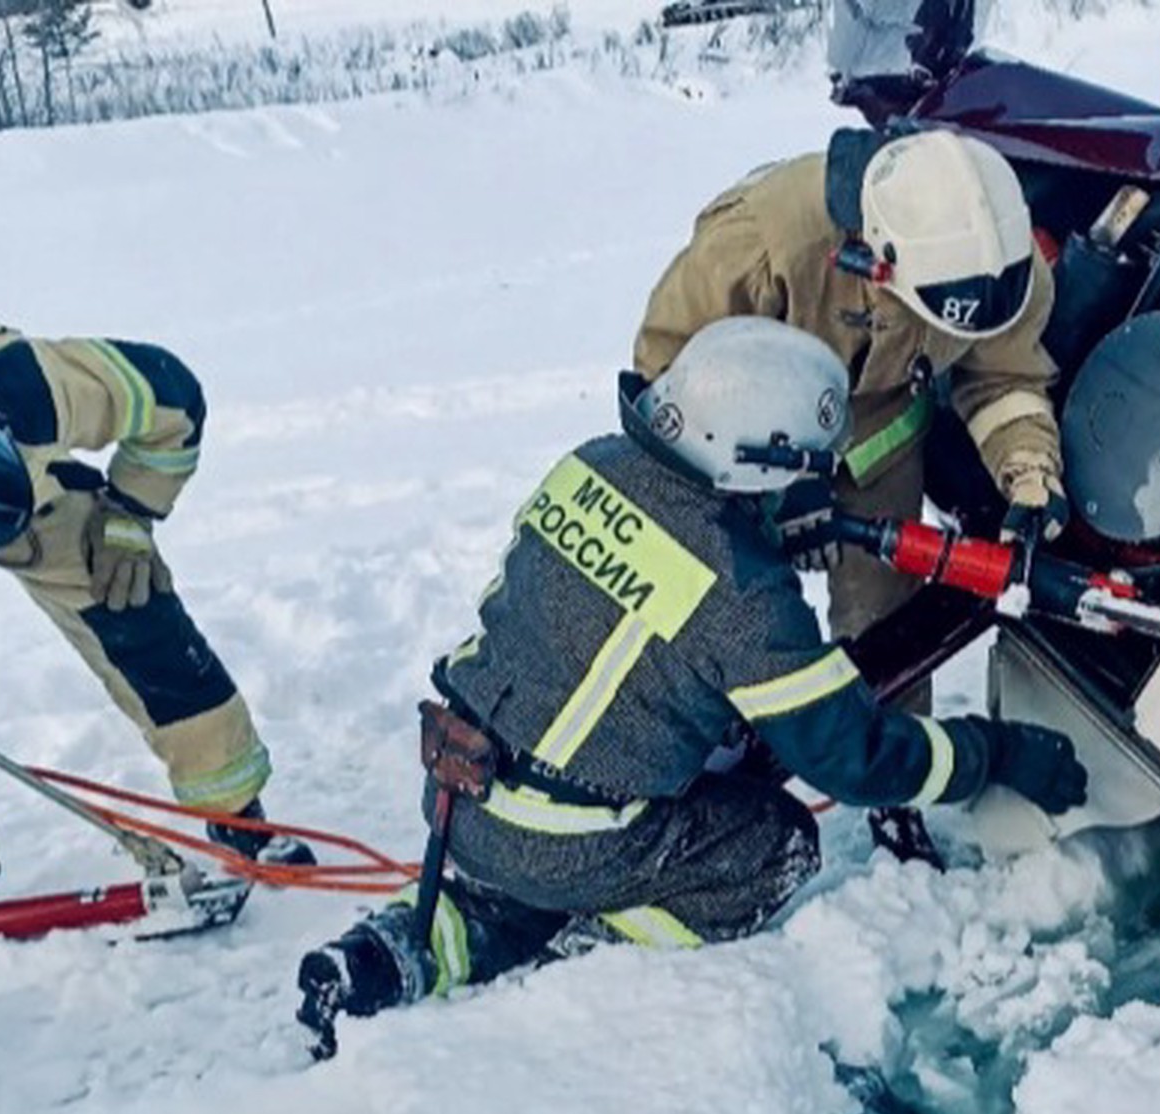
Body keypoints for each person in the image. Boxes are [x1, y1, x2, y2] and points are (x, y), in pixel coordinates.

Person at [294, 318, 1086, 1058]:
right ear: (755, 467)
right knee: (772, 844)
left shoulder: (593, 463)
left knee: (558, 844)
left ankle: (390, 954)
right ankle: (582, 946)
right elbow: (856, 759)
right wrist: (996, 753)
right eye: (806, 471)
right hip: (564, 836)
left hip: (461, 790)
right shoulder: (743, 599)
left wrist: (760, 529)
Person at [634, 128, 1068, 865]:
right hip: (735, 429)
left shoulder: (1000, 264)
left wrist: (1029, 474)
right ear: (876, 259)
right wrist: (782, 481)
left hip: (877, 429)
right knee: (724, 613)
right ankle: (688, 765)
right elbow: (667, 374)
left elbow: (1003, 376)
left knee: (888, 618)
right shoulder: (765, 241)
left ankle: (893, 797)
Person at [0, 317, 310, 945]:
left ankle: (238, 812)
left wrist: (129, 516)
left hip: (24, 495)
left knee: (132, 605)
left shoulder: (33, 387)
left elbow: (174, 396)